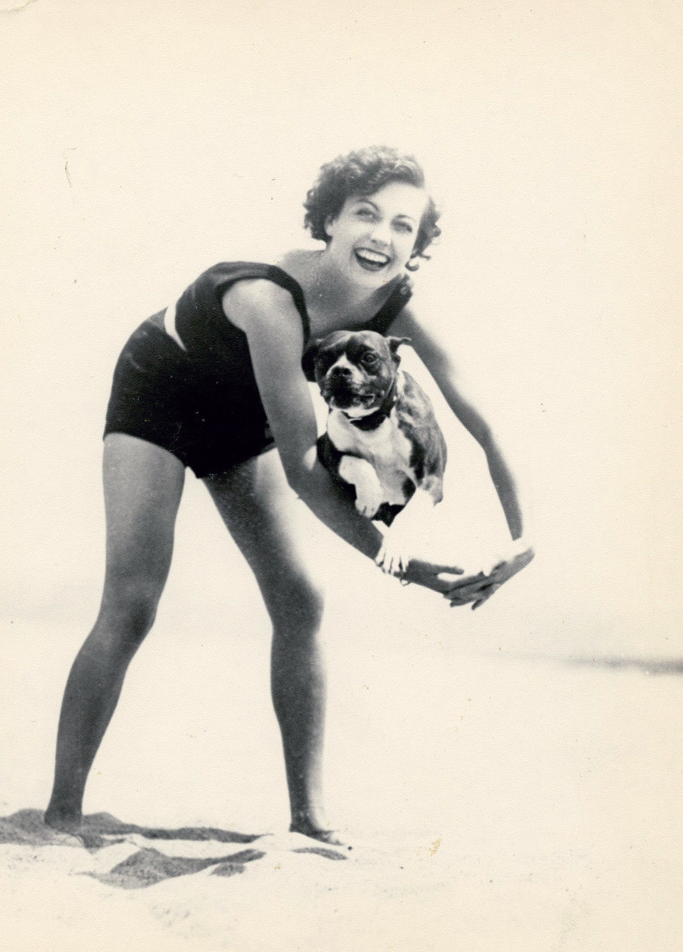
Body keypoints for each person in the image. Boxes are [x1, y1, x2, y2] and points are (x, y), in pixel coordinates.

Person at [44, 146, 534, 845]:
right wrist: (404, 563)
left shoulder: (399, 307)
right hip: (159, 395)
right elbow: (306, 469)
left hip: (244, 420)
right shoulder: (272, 298)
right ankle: (61, 812)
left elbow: (484, 419)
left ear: (418, 243)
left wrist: (525, 535)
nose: (381, 236)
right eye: (365, 214)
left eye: (402, 225)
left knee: (302, 599)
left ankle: (309, 820)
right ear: (328, 219)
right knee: (133, 601)